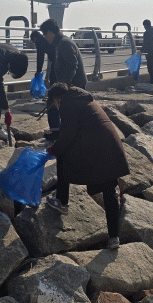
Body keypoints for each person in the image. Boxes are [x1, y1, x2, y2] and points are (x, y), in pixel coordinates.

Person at [45, 83, 130, 249]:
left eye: (55, 103)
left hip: (95, 149)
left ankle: (61, 202)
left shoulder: (67, 104)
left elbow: (67, 135)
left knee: (62, 157)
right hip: (111, 146)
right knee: (109, 188)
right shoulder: (83, 99)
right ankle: (114, 237)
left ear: (57, 99)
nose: (56, 106)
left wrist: (53, 150)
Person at [39, 18, 87, 141]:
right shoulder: (60, 42)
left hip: (75, 84)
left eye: (45, 34)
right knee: (54, 103)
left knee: (56, 103)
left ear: (50, 33)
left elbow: (72, 65)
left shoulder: (64, 43)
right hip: (69, 83)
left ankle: (60, 133)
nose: (45, 37)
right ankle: (59, 131)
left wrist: (63, 86)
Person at [30, 29, 60, 137]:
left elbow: (40, 57)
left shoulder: (39, 41)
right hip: (58, 64)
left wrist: (38, 71)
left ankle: (55, 130)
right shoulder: (47, 39)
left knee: (53, 95)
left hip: (56, 66)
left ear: (34, 38)